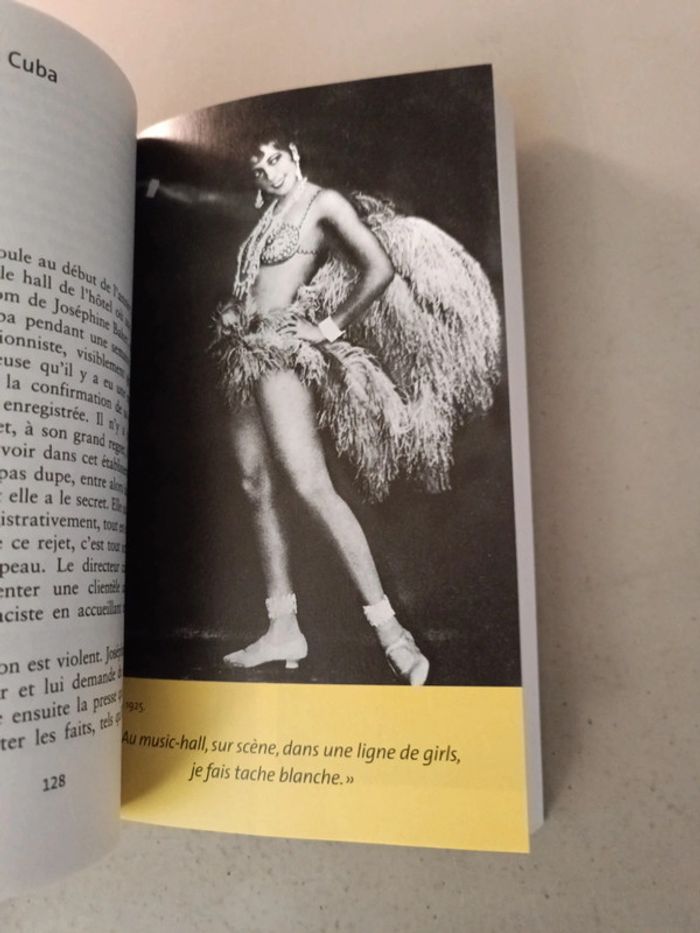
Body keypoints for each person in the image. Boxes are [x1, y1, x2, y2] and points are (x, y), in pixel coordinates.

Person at [210, 136, 501, 686]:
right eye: (259, 167)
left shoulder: (323, 203)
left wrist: (326, 328)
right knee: (255, 485)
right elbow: (255, 285)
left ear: (294, 154)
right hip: (239, 354)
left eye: (275, 158)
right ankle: (283, 629)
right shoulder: (267, 217)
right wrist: (232, 310)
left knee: (311, 486)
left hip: (280, 354)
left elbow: (378, 267)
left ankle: (393, 635)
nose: (269, 171)